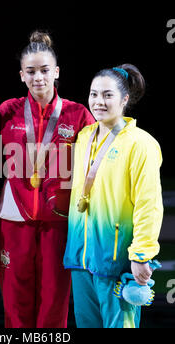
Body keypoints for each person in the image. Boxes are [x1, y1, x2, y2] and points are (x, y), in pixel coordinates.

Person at [0, 30, 95, 328]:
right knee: (15, 302)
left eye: (44, 70)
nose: (38, 77)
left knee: (54, 301)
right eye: (31, 71)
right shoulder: (7, 112)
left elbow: (94, 165)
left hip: (60, 223)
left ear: (57, 72)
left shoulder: (78, 115)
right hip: (14, 222)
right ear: (22, 75)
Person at [63, 64, 164, 328]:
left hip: (117, 260)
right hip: (82, 258)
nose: (99, 102)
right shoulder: (84, 137)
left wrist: (141, 254)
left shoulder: (142, 144)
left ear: (125, 99)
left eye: (107, 95)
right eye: (94, 94)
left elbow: (149, 204)